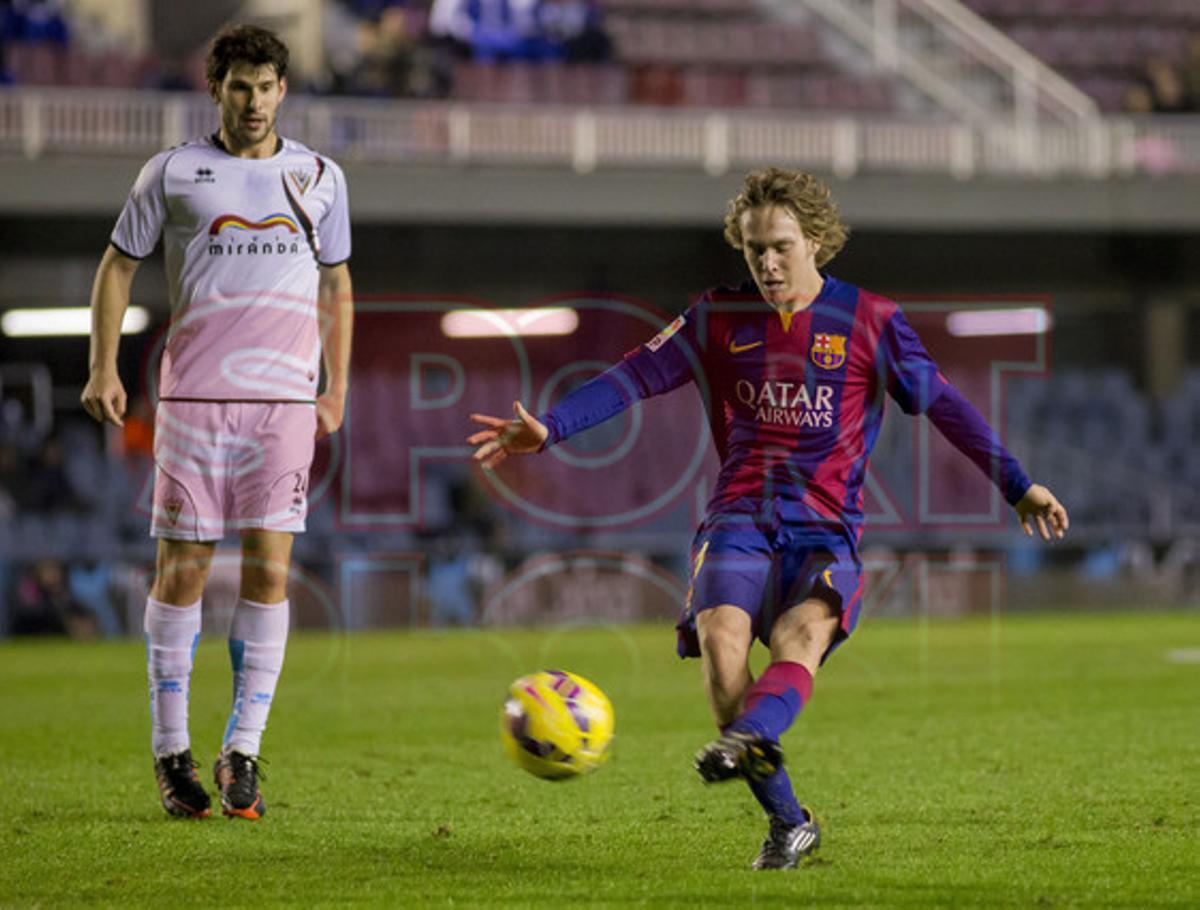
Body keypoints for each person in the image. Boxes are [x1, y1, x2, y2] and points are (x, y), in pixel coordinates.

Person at [469, 167, 1068, 869]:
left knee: (799, 636)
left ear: (816, 242)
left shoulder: (872, 321)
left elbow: (945, 406)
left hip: (826, 529)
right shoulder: (716, 317)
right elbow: (634, 373)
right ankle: (789, 820)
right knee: (723, 652)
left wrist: (1017, 484)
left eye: (781, 246)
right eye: (754, 250)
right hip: (740, 520)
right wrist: (554, 427)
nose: (767, 263)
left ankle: (751, 741)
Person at [81, 24, 354, 821]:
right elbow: (117, 266)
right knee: (184, 574)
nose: (256, 100)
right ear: (215, 89)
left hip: (282, 406)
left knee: (270, 573)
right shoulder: (172, 173)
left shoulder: (320, 178)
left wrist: (333, 386)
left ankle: (243, 751)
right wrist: (103, 366)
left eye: (268, 86)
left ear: (284, 91)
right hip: (195, 402)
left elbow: (337, 285)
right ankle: (172, 754)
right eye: (241, 85)